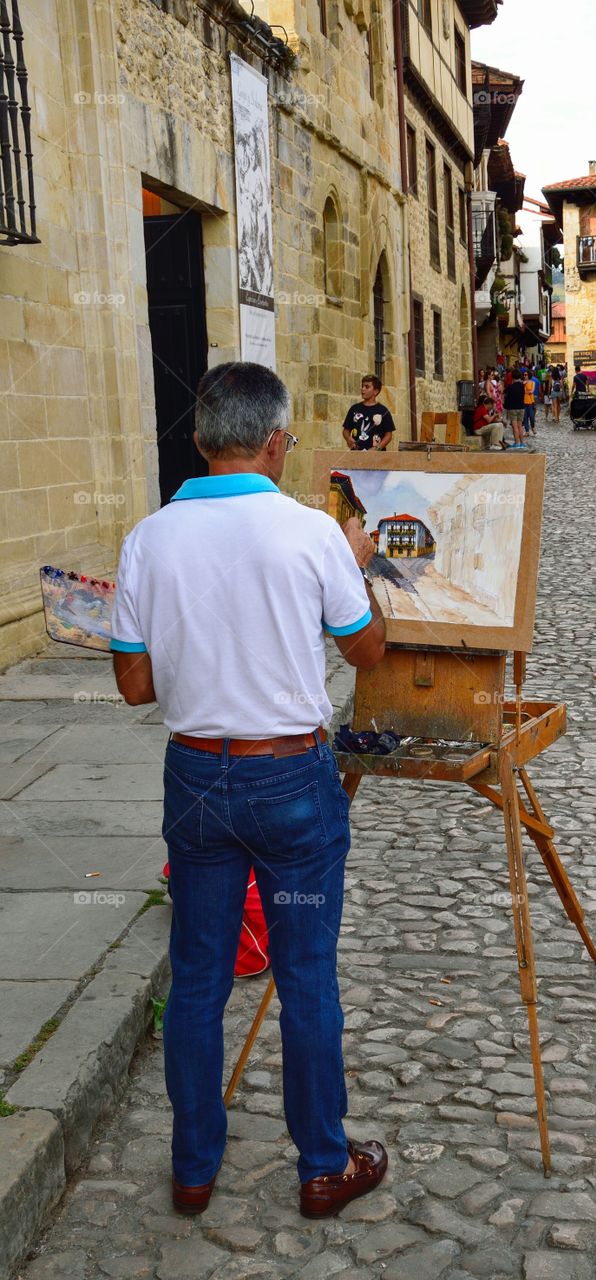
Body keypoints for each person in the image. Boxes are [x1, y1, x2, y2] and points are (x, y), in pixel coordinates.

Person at [111, 362, 388, 1221]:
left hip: (197, 777)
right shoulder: (309, 532)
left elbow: (132, 687)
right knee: (305, 976)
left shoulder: (149, 537)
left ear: (198, 439)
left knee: (196, 978)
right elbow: (366, 651)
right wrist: (355, 566)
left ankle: (194, 1169)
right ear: (275, 442)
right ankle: (322, 1166)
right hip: (290, 782)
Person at [342, 375, 395, 450]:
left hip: (377, 457)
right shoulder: (354, 409)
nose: (363, 389)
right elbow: (346, 430)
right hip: (356, 455)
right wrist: (348, 439)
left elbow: (388, 435)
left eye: (367, 387)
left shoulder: (383, 411)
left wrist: (377, 448)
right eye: (362, 386)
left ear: (375, 391)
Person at [503, 366, 526, 448]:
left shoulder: (510, 387)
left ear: (512, 377)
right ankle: (522, 443)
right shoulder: (522, 386)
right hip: (521, 407)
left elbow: (505, 394)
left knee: (515, 426)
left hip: (513, 408)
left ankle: (517, 442)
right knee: (520, 426)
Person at [522, 369, 538, 436]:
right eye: (524, 375)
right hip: (524, 402)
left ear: (529, 375)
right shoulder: (523, 383)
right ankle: (527, 431)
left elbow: (532, 391)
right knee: (525, 417)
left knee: (531, 416)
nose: (524, 376)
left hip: (531, 402)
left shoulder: (532, 382)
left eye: (526, 375)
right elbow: (522, 392)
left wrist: (526, 392)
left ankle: (533, 427)